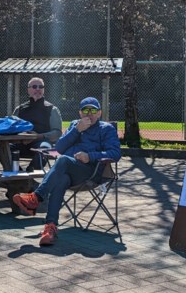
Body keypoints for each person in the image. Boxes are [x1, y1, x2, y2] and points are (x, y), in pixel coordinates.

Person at [12, 97, 121, 246]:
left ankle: (36, 197)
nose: (89, 114)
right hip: (68, 172)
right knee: (61, 178)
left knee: (62, 161)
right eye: (85, 110)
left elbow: (115, 153)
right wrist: (77, 130)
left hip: (91, 172)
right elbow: (60, 148)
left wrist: (90, 156)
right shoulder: (74, 125)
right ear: (80, 113)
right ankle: (50, 228)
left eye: (93, 110)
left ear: (99, 113)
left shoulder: (106, 129)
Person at [11, 77, 63, 171]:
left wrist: (38, 136)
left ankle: (30, 172)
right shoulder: (19, 109)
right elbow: (11, 129)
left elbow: (57, 133)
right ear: (28, 90)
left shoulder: (52, 109)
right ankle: (20, 175)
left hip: (41, 143)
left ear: (43, 90)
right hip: (21, 143)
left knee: (45, 148)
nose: (38, 89)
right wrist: (22, 138)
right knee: (1, 150)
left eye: (41, 87)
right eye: (34, 86)